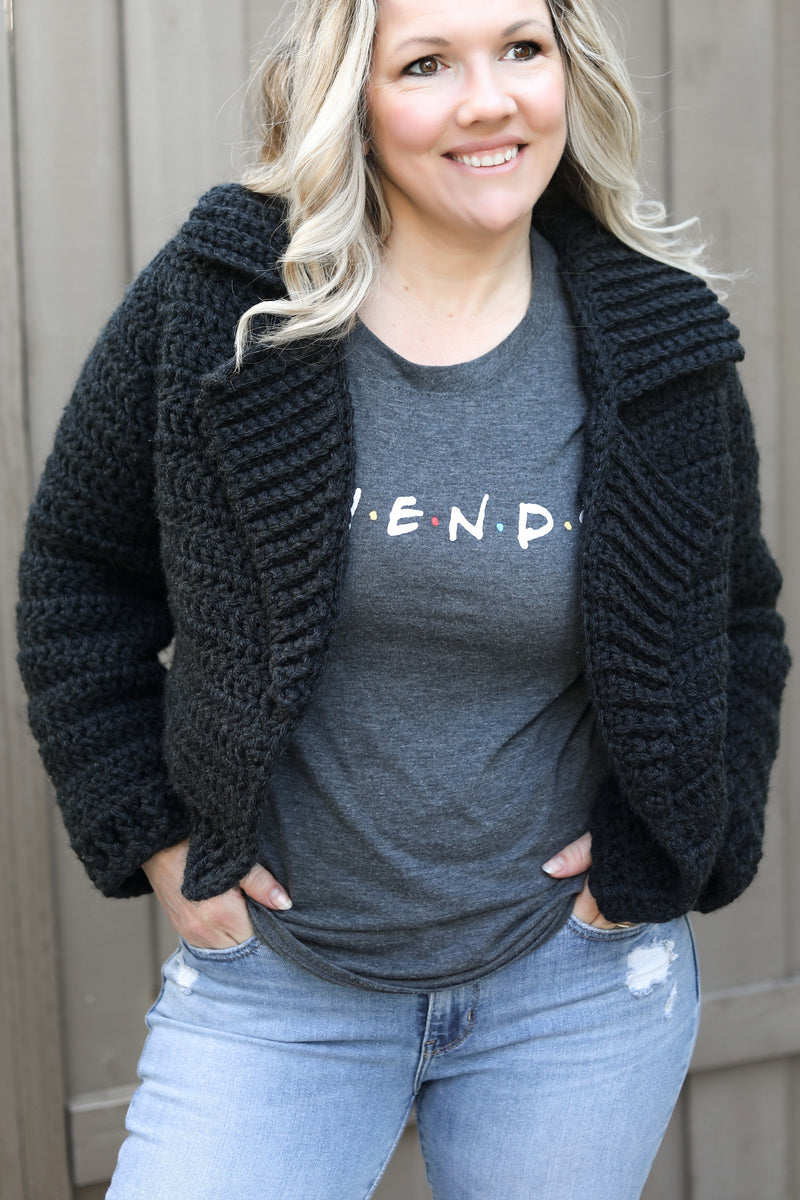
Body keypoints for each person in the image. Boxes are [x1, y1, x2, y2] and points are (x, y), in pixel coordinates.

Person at [17, 0, 790, 1196]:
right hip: (279, 989)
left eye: (520, 49)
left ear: (568, 71)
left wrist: (678, 837)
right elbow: (79, 575)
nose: (488, 100)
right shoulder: (225, 305)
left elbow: (734, 623)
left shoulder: (656, 336)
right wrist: (152, 837)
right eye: (426, 64)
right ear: (353, 99)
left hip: (574, 993)